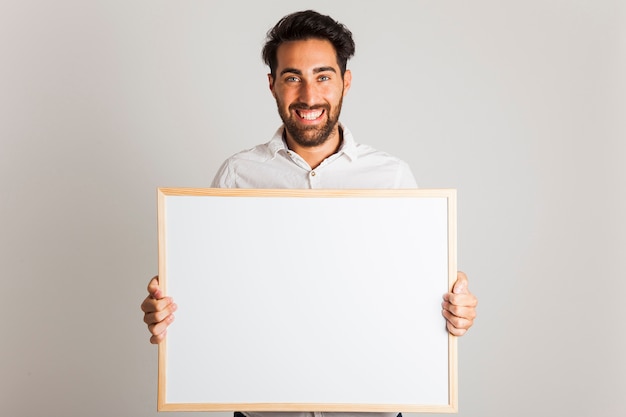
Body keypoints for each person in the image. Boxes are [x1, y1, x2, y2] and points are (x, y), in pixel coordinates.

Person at [141, 9, 477, 417]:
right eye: (292, 78)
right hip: (263, 407)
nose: (308, 96)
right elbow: (211, 297)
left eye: (323, 76)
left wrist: (451, 310)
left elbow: (415, 298)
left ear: (345, 82)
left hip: (370, 406)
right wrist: (170, 312)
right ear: (272, 85)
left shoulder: (391, 177)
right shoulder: (237, 174)